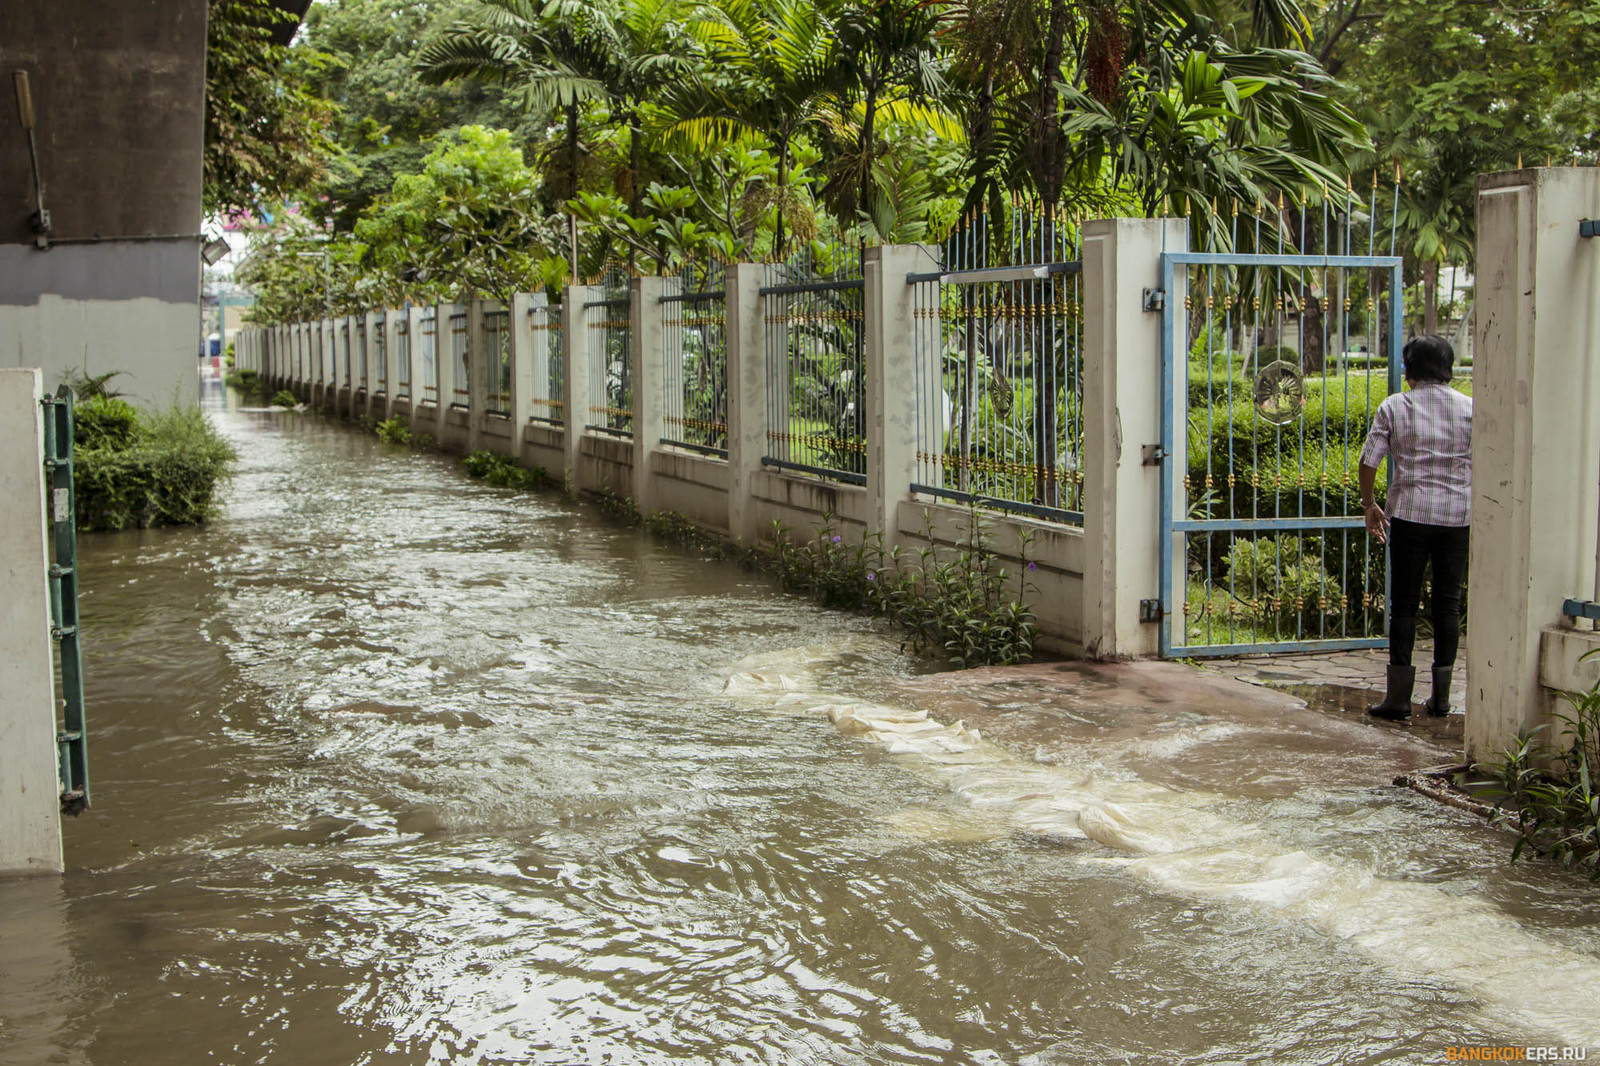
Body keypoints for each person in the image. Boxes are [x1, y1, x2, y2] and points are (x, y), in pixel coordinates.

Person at [1358, 335, 1472, 720]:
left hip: (1409, 514)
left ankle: (1398, 699)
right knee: (1448, 604)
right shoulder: (1471, 409)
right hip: (1458, 517)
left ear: (1409, 369)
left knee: (1404, 605)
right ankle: (1441, 698)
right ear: (1447, 367)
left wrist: (1370, 504)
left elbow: (1369, 461)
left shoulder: (1396, 406)